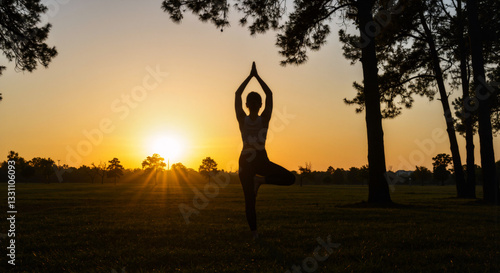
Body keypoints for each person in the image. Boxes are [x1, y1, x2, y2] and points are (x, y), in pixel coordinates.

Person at [235, 62, 295, 240]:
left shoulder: (261, 119)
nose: (254, 103)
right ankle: (254, 234)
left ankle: (260, 180)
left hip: (259, 159)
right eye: (252, 101)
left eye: (256, 101)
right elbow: (240, 93)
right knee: (249, 200)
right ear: (248, 104)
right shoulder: (246, 119)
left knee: (290, 178)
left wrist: (254, 76)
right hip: (247, 160)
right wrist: (252, 76)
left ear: (259, 105)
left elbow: (266, 94)